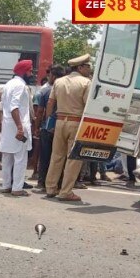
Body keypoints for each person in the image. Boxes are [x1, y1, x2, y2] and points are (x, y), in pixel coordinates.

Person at [45, 54, 92, 201]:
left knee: (56, 156)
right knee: (73, 159)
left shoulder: (58, 81)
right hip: (76, 122)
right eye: (87, 66)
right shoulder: (86, 82)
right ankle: (66, 192)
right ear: (80, 67)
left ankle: (51, 188)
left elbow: (50, 104)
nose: (89, 69)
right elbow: (87, 106)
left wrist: (49, 122)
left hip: (59, 122)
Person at [0, 60, 34, 197]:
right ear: (24, 72)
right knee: (20, 158)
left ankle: (6, 185)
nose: (31, 74)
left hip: (7, 125)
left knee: (7, 157)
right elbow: (14, 107)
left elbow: (3, 106)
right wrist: (20, 127)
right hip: (18, 125)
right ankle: (17, 188)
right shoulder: (20, 85)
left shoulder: (8, 84)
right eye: (30, 71)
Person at [34, 64, 65, 190]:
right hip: (62, 127)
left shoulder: (46, 91)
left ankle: (42, 183)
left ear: (53, 76)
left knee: (45, 156)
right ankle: (57, 184)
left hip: (48, 128)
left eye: (50, 75)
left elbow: (40, 111)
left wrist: (37, 127)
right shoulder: (67, 91)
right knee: (59, 157)